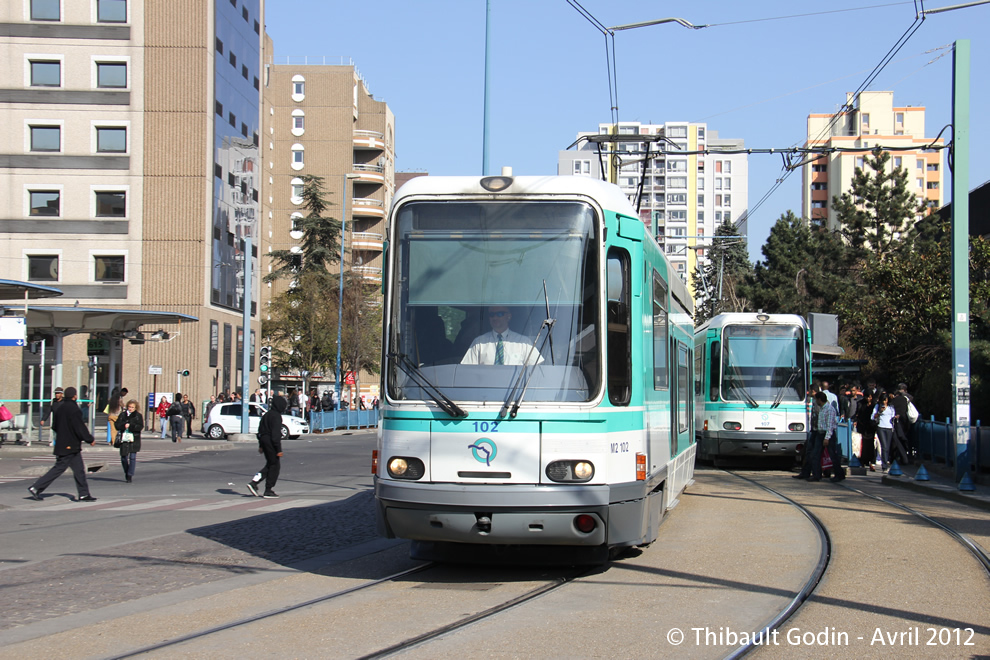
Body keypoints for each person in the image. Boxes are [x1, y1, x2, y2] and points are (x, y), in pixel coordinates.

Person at [27, 387, 97, 502]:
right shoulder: (74, 410)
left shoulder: (60, 408)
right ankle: (36, 487)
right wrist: (89, 439)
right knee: (59, 468)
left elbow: (55, 426)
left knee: (79, 470)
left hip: (65, 444)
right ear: (75, 396)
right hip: (69, 445)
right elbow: (79, 427)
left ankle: (84, 494)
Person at [461, 306, 545, 366]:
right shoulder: (479, 342)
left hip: (516, 389)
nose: (495, 317)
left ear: (509, 316)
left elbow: (537, 369)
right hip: (485, 387)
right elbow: (466, 370)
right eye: (491, 314)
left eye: (500, 314)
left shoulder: (523, 342)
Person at [246, 395, 286, 499]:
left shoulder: (267, 415)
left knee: (270, 464)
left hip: (264, 440)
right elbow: (276, 434)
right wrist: (279, 449)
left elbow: (260, 430)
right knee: (274, 465)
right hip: (271, 442)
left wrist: (261, 445)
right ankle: (267, 489)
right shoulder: (276, 416)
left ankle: (255, 482)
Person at [114, 399, 143, 483]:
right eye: (129, 407)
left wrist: (131, 426)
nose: (130, 408)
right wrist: (123, 426)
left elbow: (140, 427)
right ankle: (126, 472)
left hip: (134, 438)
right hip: (124, 438)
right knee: (123, 457)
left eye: (132, 407)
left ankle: (130, 474)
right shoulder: (123, 415)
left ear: (135, 408)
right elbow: (117, 425)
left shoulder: (138, 416)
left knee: (132, 457)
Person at [819, 391, 845, 482]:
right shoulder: (822, 408)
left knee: (833, 455)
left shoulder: (829, 409)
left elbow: (830, 425)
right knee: (817, 454)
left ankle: (839, 474)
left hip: (828, 435)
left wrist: (827, 438)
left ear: (819, 400)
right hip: (822, 434)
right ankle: (817, 474)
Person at [890, 383, 914, 465]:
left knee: (896, 440)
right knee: (903, 438)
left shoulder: (894, 401)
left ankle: (898, 457)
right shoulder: (907, 399)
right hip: (905, 421)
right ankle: (906, 455)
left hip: (896, 422)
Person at [856, 385, 878, 471]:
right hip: (863, 426)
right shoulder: (861, 404)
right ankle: (864, 460)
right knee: (864, 444)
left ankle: (872, 460)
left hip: (871, 427)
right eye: (867, 397)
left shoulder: (874, 405)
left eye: (870, 397)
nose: (868, 399)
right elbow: (859, 414)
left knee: (871, 444)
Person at [873, 392, 895, 471]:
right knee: (884, 446)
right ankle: (884, 465)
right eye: (883, 400)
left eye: (885, 400)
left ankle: (885, 462)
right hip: (881, 427)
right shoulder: (877, 406)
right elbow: (873, 416)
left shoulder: (891, 407)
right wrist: (880, 412)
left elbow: (893, 416)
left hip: (889, 427)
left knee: (887, 447)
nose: (884, 402)